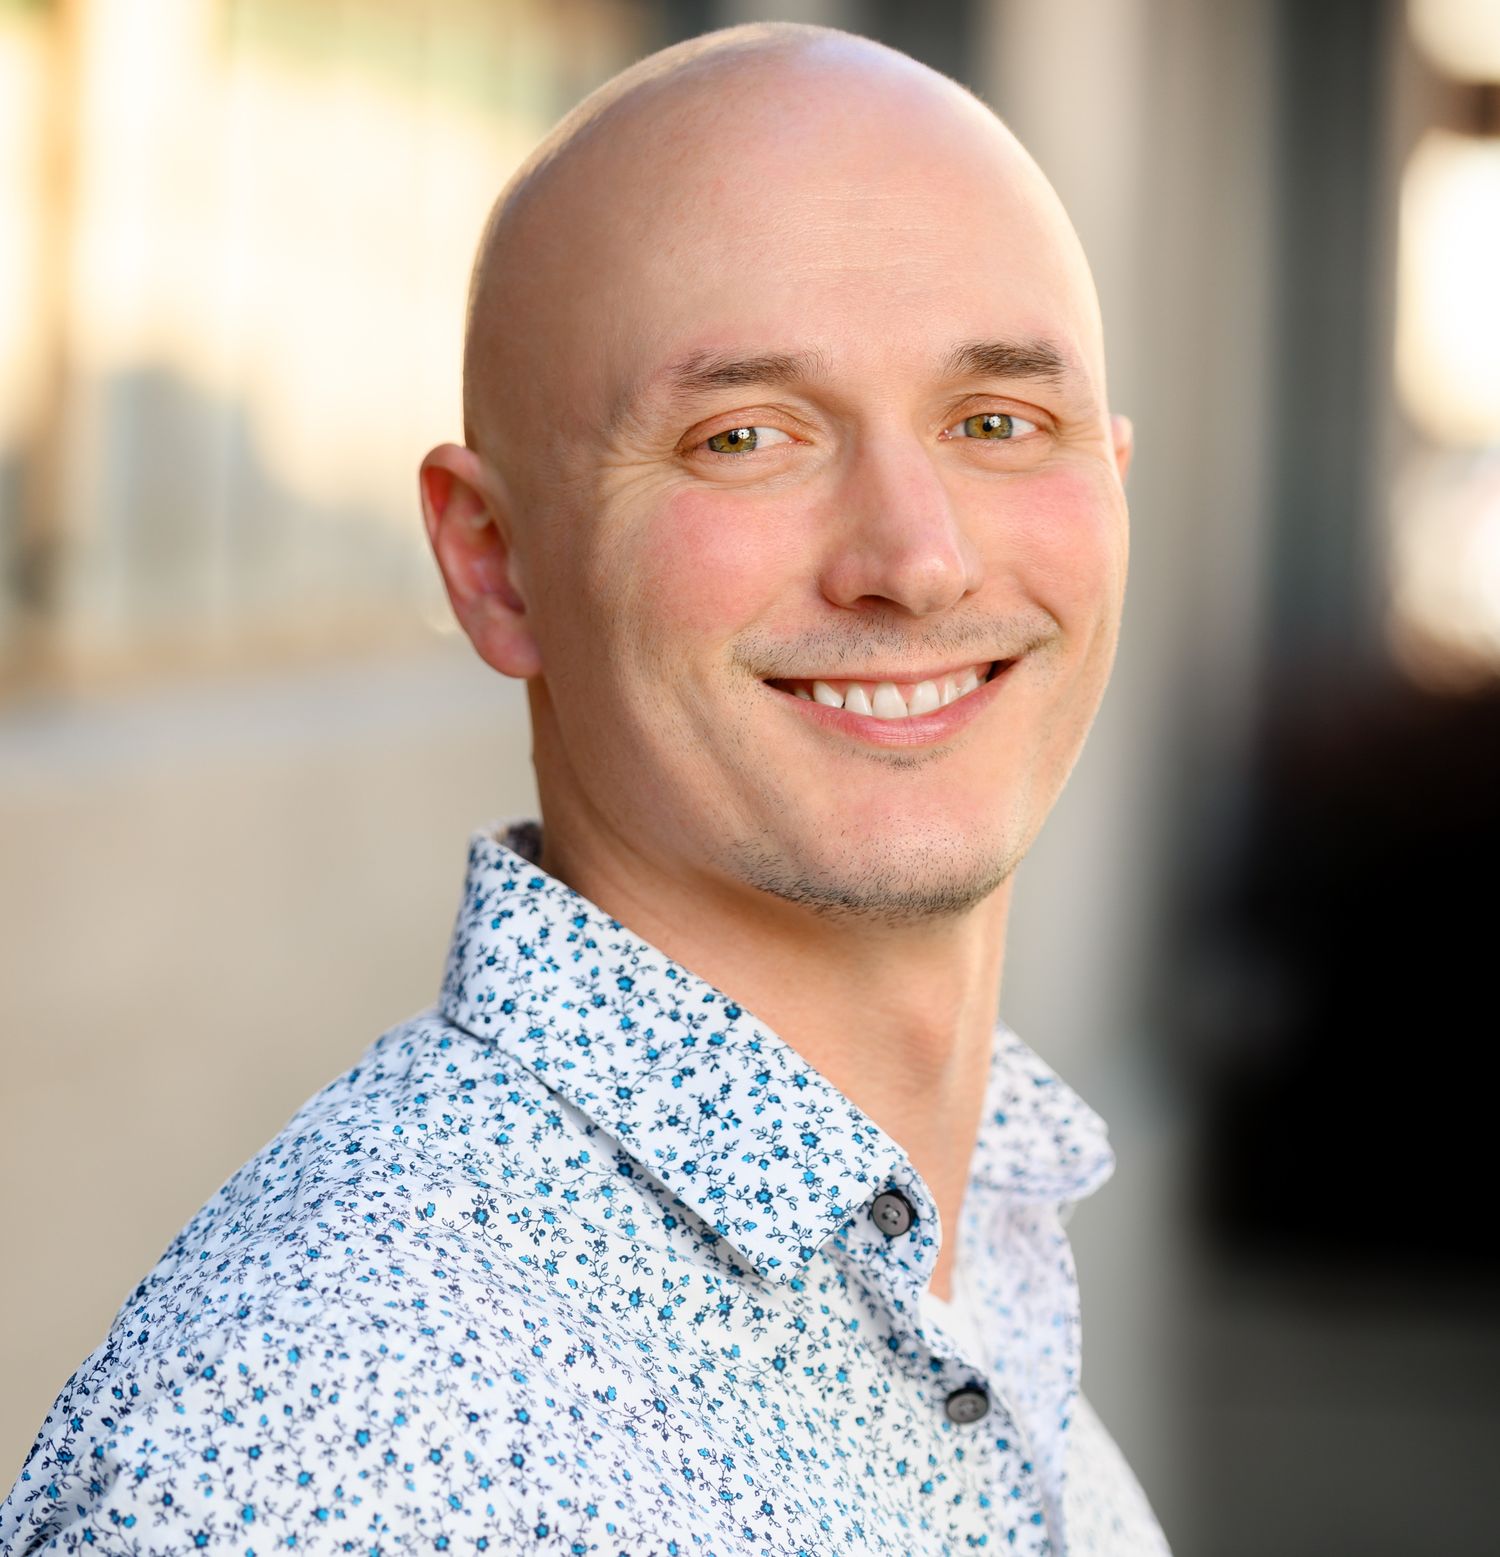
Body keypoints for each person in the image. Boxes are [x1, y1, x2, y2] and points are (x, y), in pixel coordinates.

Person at [0, 21, 1169, 1556]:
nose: (918, 556)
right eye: (745, 437)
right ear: (494, 563)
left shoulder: (982, 1284)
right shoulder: (325, 1448)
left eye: (998, 423)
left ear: (1112, 480)